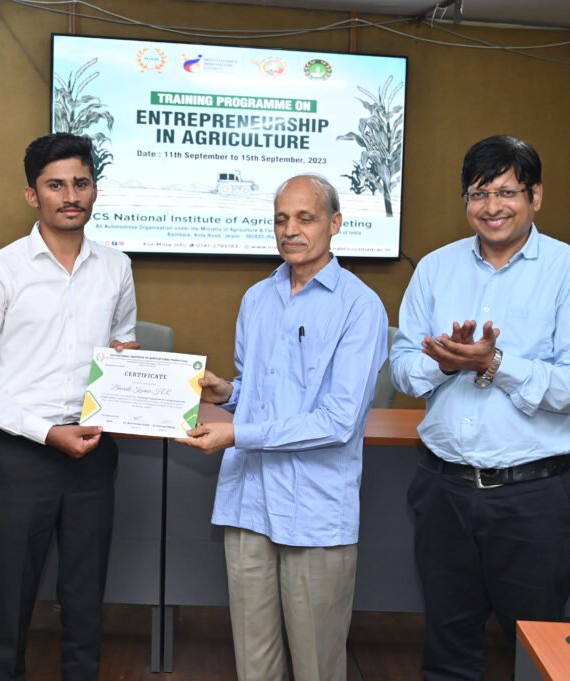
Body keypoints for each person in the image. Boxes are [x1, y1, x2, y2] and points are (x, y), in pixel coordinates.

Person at [390, 135, 570, 681]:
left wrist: (494, 364)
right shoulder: (435, 270)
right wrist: (444, 364)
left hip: (532, 498)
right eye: (478, 193)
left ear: (535, 195)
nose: (492, 206)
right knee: (447, 652)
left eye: (507, 191)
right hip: (442, 492)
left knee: (537, 651)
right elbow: (398, 367)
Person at [178, 174, 389, 681]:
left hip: (315, 511)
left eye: (305, 218)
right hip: (250, 502)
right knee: (254, 663)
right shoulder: (257, 298)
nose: (289, 230)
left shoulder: (361, 308)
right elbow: (261, 389)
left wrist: (238, 434)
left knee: (317, 665)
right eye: (280, 219)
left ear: (335, 224)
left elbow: (338, 421)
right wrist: (228, 393)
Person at [0, 132, 138, 681]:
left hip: (94, 453)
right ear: (33, 195)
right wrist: (43, 432)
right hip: (21, 456)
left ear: (95, 190)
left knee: (85, 598)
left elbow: (121, 349)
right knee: (11, 600)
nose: (70, 195)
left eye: (80, 183)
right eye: (55, 185)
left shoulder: (116, 267)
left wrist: (131, 368)